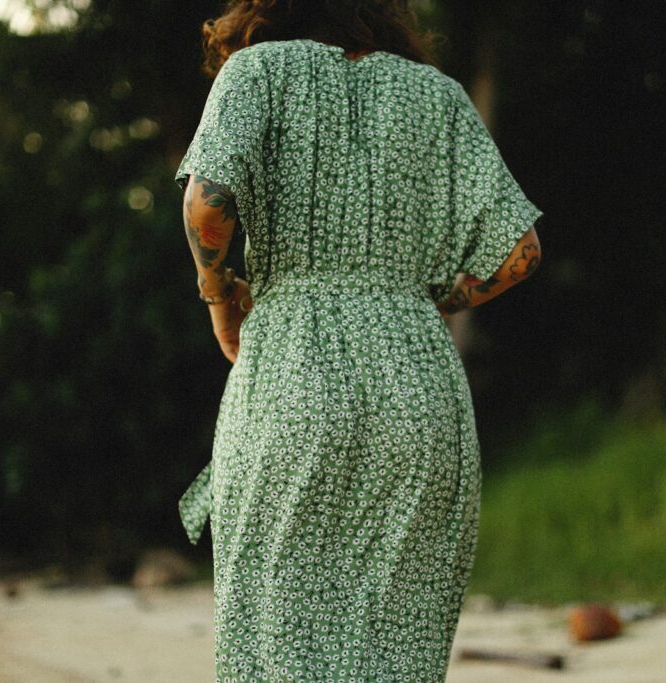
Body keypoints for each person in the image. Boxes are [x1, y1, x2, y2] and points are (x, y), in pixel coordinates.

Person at [173, 1, 543, 680]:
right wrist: (430, 300)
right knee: (398, 641)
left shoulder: (255, 73)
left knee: (276, 632)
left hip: (293, 377)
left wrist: (219, 293)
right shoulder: (439, 96)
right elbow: (518, 252)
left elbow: (207, 202)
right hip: (418, 390)